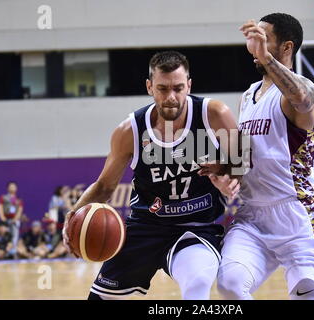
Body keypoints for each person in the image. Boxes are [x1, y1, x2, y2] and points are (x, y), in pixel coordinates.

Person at [62, 51, 239, 300]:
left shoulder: (215, 115)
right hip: (145, 228)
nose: (171, 97)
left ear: (189, 85)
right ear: (149, 87)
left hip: (197, 228)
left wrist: (229, 175)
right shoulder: (130, 131)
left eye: (178, 88)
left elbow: (243, 161)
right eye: (162, 88)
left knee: (198, 282)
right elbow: (104, 187)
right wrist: (71, 218)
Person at [202, 13, 314, 300]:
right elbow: (246, 156)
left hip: (296, 215)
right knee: (231, 284)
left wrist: (266, 58)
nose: (253, 45)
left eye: (263, 39)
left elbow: (302, 98)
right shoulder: (248, 96)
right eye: (253, 38)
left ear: (286, 47)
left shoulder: (300, 91)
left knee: (309, 291)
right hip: (252, 215)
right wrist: (225, 170)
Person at [0, 181, 23, 249]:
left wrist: (15, 219)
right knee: (5, 235)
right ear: (7, 188)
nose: (12, 188)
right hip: (6, 219)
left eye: (14, 186)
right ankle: (5, 250)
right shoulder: (3, 197)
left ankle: (13, 250)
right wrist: (2, 218)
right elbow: (0, 207)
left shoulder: (18, 199)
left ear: (16, 188)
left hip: (15, 220)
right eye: (11, 186)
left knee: (15, 236)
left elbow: (20, 210)